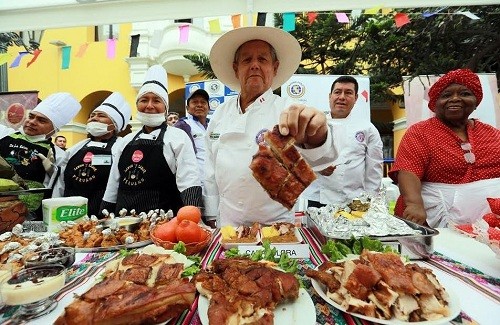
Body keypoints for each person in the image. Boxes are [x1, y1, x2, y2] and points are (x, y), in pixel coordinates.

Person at [204, 26, 340, 228]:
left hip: (276, 228)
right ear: (236, 68)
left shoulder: (288, 110)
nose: (255, 65)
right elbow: (209, 170)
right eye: (247, 60)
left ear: (275, 68)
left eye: (263, 59)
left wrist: (318, 136)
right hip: (228, 226)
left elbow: (324, 163)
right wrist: (211, 213)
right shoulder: (220, 114)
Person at [389, 68, 500, 228]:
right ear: (435, 104)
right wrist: (414, 204)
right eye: (446, 95)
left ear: (476, 102)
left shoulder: (492, 133)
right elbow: (408, 170)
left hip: (488, 223)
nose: (455, 99)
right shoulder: (420, 132)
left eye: (465, 94)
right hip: (432, 219)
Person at [101, 65, 202, 216]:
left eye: (156, 100)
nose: (149, 106)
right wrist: (105, 213)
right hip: (124, 222)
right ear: (137, 105)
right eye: (144, 100)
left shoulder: (177, 137)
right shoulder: (125, 141)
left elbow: (189, 181)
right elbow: (113, 184)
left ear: (165, 108)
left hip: (164, 222)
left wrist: (193, 217)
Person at [303, 76, 383, 208]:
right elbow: (298, 159)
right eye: (337, 92)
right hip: (318, 198)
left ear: (356, 98)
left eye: (348, 93)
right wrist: (317, 167)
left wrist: (370, 200)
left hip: (354, 200)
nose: (342, 97)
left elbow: (374, 169)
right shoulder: (313, 125)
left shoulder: (367, 128)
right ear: (330, 96)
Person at [0, 92, 81, 219]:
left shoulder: (58, 155)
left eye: (41, 120)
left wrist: (53, 171)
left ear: (54, 129)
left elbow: (59, 188)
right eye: (31, 116)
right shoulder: (4, 135)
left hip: (28, 213)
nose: (32, 122)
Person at [52, 92, 132, 217]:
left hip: (104, 214)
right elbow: (60, 184)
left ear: (114, 125)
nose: (94, 118)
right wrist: (55, 206)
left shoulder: (121, 147)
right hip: (69, 213)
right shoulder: (74, 149)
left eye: (101, 116)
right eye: (92, 115)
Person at [174, 88, 210, 187]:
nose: (199, 105)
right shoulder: (182, 125)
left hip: (214, 181)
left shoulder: (213, 125)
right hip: (195, 183)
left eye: (203, 102)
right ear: (187, 108)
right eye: (194, 102)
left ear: (208, 107)